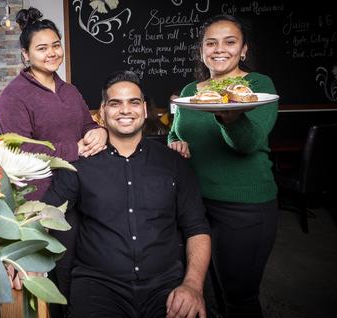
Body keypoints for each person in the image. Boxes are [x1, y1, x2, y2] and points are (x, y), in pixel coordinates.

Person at [43, 71, 211, 318]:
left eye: (133, 102)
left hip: (166, 286)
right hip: (97, 287)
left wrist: (193, 286)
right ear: (102, 112)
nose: (125, 110)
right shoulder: (78, 164)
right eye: (115, 103)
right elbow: (43, 215)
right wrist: (17, 258)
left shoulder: (174, 162)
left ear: (144, 110)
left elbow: (197, 228)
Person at [0, 6, 107, 316]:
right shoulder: (13, 96)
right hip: (40, 201)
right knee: (53, 277)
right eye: (42, 48)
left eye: (56, 45)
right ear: (26, 55)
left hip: (79, 193)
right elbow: (19, 148)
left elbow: (86, 124)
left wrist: (98, 132)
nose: (52, 53)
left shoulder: (69, 90)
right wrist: (75, 149)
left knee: (80, 270)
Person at [167, 14, 278, 318]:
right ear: (202, 50)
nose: (219, 49)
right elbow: (176, 130)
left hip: (244, 207)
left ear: (243, 50)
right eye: (211, 43)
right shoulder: (192, 91)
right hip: (195, 205)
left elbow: (248, 143)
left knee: (238, 297)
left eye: (230, 42)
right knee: (207, 293)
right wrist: (175, 143)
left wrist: (230, 115)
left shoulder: (257, 86)